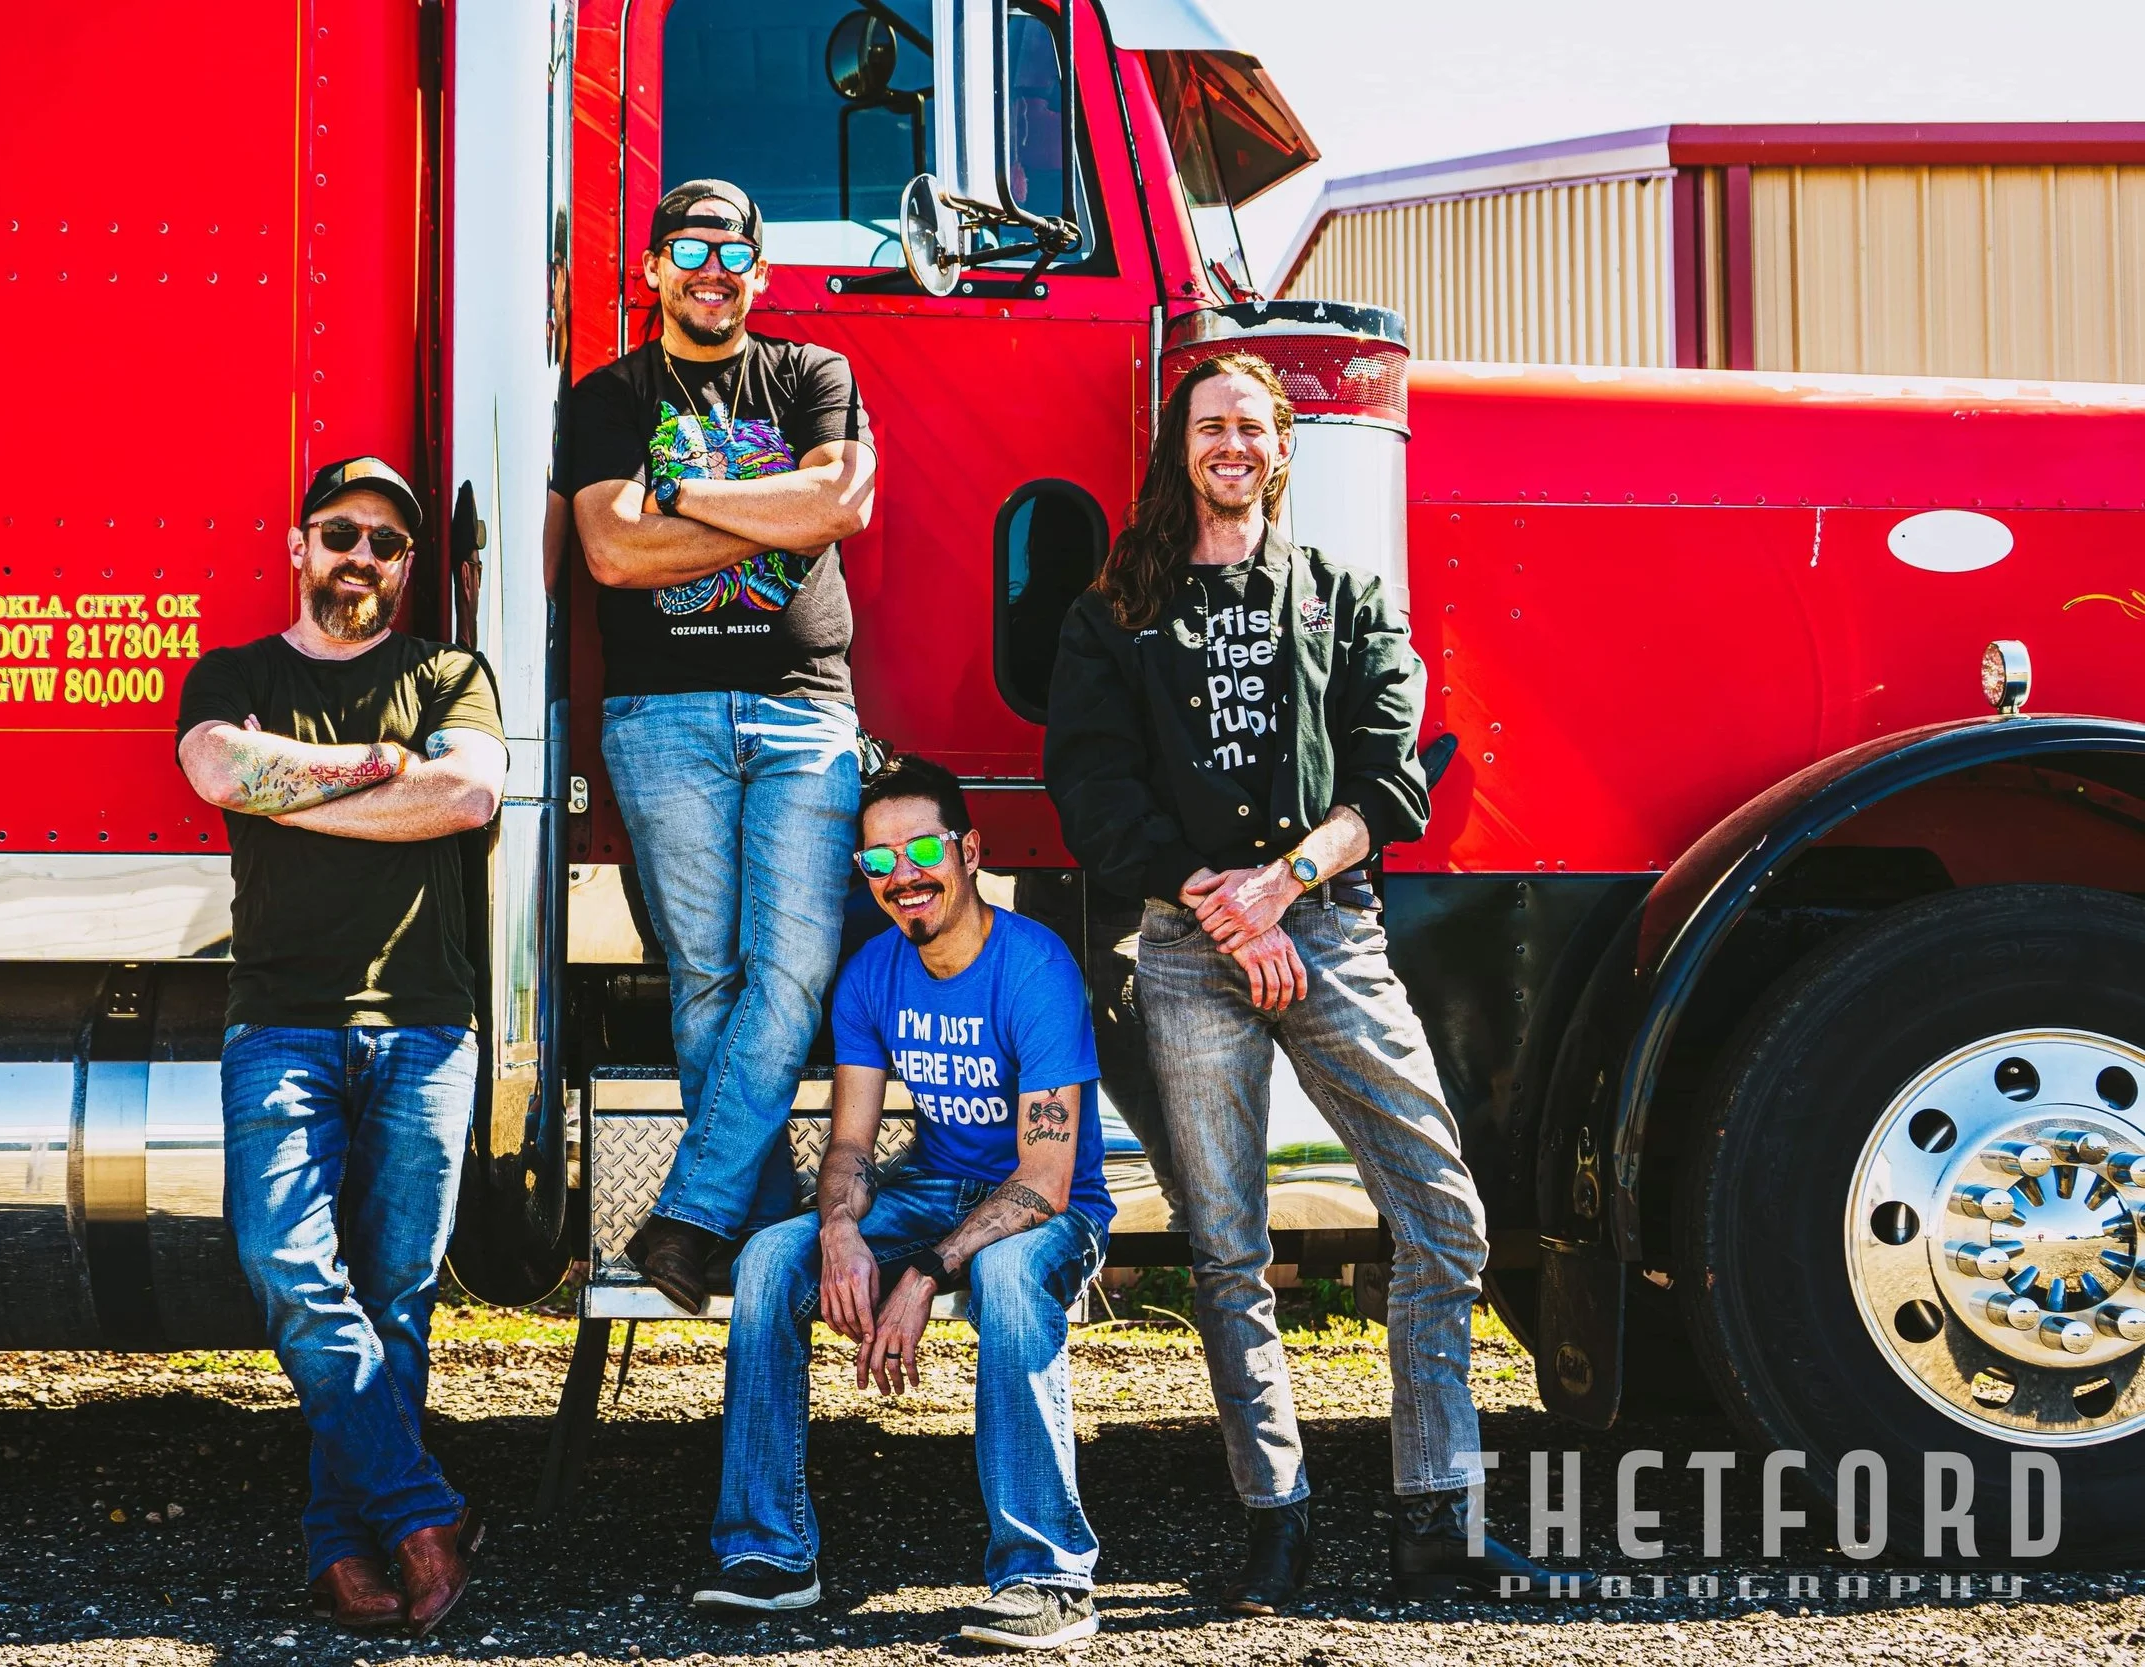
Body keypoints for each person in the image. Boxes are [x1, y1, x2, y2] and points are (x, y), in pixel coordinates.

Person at [1043, 355, 1547, 1607]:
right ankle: (1275, 1521)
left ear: (1281, 449)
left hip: (1327, 929)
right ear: (1180, 449)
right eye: (1208, 425)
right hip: (1185, 943)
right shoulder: (1113, 611)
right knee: (1227, 1248)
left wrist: (1280, 885)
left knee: (1445, 1216)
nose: (1230, 443)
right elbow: (1092, 790)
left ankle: (1436, 1513)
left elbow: (1391, 780)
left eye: (1251, 427)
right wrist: (1220, 901)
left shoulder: (1345, 595)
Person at [174, 456, 507, 1636]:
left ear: (407, 565)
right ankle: (422, 1514)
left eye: (386, 541)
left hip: (424, 1022)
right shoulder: (234, 673)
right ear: (298, 544)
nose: (361, 555)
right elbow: (217, 766)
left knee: (395, 1297)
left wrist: (293, 785)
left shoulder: (449, 673)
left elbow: (467, 798)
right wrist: (381, 765)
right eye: (340, 532)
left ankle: (339, 1544)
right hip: (280, 1020)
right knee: (287, 1264)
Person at [692, 756, 1111, 1652]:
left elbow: (1044, 1179)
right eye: (878, 860)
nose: (902, 875)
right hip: (930, 1189)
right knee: (770, 1257)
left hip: (1048, 1208)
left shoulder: (1034, 966)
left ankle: (1048, 1576)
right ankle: (768, 1552)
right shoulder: (872, 973)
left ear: (969, 850)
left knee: (1006, 1273)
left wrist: (922, 1271)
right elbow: (851, 1144)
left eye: (922, 849)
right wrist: (840, 1227)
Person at [553, 178, 878, 1313]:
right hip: (661, 714)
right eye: (688, 251)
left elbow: (839, 507)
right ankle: (761, 1227)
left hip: (802, 709)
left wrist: (684, 494)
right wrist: (773, 510)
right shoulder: (608, 397)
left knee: (793, 968)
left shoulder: (812, 374)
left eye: (733, 253)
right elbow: (611, 553)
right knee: (707, 975)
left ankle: (691, 1216)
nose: (711, 271)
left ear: (759, 272)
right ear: (652, 269)